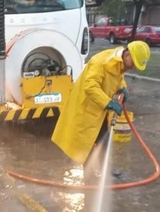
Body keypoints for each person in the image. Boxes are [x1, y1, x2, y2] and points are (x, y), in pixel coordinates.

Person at [51, 41, 151, 172]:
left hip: (100, 111)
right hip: (86, 109)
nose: (133, 68)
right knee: (85, 145)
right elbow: (90, 87)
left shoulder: (119, 63)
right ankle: (88, 178)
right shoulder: (100, 62)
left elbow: (117, 78)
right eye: (134, 64)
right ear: (127, 54)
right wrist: (108, 103)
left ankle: (104, 171)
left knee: (104, 141)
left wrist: (122, 88)